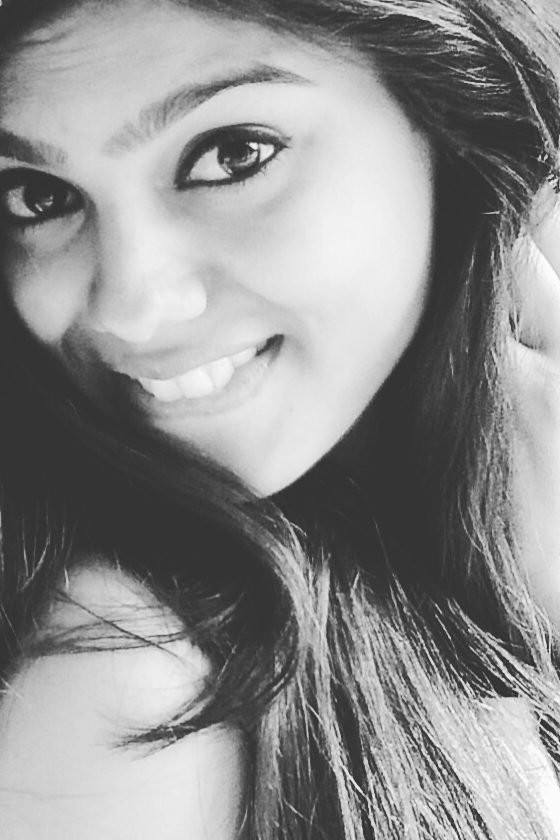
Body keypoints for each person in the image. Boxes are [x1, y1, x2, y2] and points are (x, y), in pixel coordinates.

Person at [0, 0, 560, 837]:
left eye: (233, 155)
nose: (131, 308)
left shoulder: (445, 545)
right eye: (38, 196)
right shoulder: (131, 679)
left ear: (445, 118)